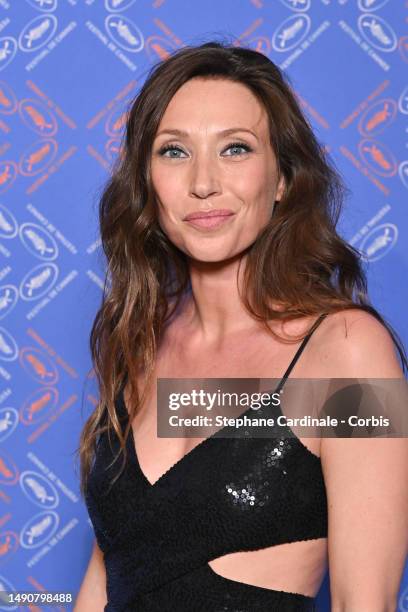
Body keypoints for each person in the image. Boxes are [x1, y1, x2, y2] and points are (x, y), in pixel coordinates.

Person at [74, 41, 408, 611]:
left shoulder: (349, 354)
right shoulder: (138, 341)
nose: (204, 182)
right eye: (174, 152)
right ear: (147, 187)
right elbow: (109, 574)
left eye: (235, 148)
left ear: (282, 179)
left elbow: (366, 603)